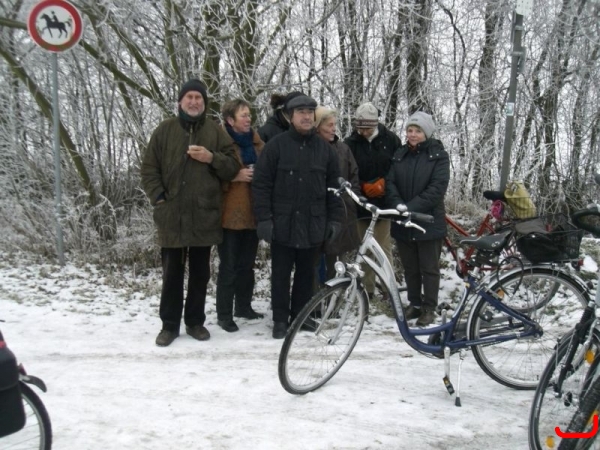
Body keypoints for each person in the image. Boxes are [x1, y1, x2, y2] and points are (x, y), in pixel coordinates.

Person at [141, 79, 241, 347]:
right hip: (171, 215)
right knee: (172, 273)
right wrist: (159, 198)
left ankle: (195, 322)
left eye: (199, 97)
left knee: (200, 273)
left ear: (205, 103)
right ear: (180, 102)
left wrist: (211, 158)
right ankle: (169, 326)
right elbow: (149, 169)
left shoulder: (216, 133)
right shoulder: (164, 131)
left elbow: (232, 166)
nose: (194, 101)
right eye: (189, 97)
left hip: (204, 215)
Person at [252, 94, 343, 339]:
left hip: (314, 222)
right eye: (300, 112)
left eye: (310, 112)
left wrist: (334, 220)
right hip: (282, 223)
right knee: (281, 274)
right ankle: (280, 320)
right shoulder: (276, 146)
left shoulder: (325, 149)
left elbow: (335, 188)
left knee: (307, 274)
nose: (306, 116)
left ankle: (302, 317)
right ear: (290, 117)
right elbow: (261, 185)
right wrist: (264, 219)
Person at [385, 111, 450, 326]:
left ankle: (429, 308)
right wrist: (397, 205)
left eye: (418, 131)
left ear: (427, 133)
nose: (412, 135)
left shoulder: (438, 156)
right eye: (410, 130)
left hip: (427, 221)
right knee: (410, 267)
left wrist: (410, 208)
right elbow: (390, 182)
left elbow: (436, 189)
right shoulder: (400, 154)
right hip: (403, 219)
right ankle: (414, 303)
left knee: (428, 268)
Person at [215, 99, 265, 333]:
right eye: (243, 115)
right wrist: (233, 177)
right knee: (229, 266)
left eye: (249, 114)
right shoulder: (221, 143)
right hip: (230, 215)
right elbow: (209, 177)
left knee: (247, 265)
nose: (248, 119)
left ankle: (243, 307)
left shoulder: (257, 144)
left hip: (253, 213)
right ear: (230, 120)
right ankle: (224, 314)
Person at [344, 101, 401, 300]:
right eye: (359, 127)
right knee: (364, 247)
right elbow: (348, 171)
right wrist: (362, 187)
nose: (363, 132)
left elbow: (397, 168)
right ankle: (366, 290)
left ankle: (388, 289)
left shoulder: (391, 140)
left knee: (383, 248)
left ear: (375, 124)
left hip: (384, 204)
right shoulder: (350, 143)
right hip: (360, 204)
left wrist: (385, 183)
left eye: (367, 128)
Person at [313, 106, 361, 284]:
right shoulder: (311, 149)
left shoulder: (343, 149)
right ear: (318, 126)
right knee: (314, 263)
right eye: (329, 125)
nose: (334, 128)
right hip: (317, 214)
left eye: (335, 124)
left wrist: (349, 200)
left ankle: (336, 302)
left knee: (337, 262)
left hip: (342, 213)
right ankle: (315, 305)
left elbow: (354, 177)